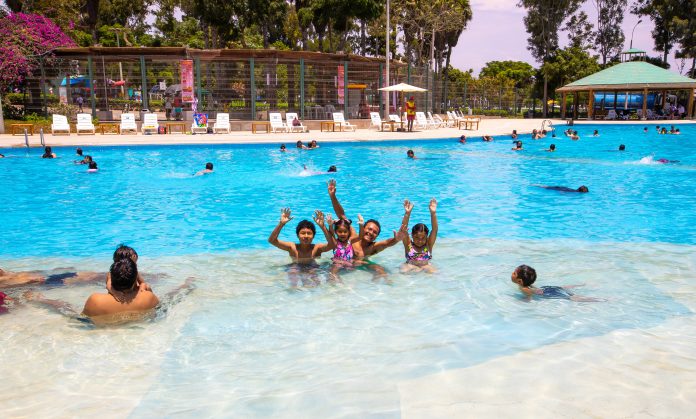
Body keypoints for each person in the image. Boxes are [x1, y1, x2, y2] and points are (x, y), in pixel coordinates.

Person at [327, 179, 406, 275]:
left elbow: (386, 243)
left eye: (375, 232)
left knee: (380, 270)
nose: (371, 233)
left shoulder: (373, 247)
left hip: (359, 265)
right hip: (341, 263)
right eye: (369, 229)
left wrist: (396, 239)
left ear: (376, 236)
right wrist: (333, 196)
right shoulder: (352, 237)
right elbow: (342, 215)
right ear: (363, 228)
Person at [267, 208, 334, 287]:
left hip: (312, 267)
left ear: (313, 236)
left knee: (315, 282)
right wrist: (281, 224)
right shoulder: (292, 247)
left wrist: (323, 226)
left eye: (309, 233)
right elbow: (272, 240)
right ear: (297, 235)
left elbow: (332, 245)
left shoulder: (317, 248)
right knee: (292, 271)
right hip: (295, 266)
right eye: (303, 233)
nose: (306, 236)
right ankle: (293, 291)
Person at [80, 258, 160, 318]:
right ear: (136, 279)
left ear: (111, 278)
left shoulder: (95, 301)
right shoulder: (149, 297)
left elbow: (83, 320)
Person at [511, 265, 604, 302]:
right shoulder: (528, 285)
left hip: (547, 293)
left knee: (571, 298)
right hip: (547, 288)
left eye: (514, 273)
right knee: (562, 288)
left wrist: (521, 301)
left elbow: (529, 296)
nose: (512, 273)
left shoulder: (523, 288)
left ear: (520, 281)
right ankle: (583, 285)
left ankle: (599, 300)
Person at [399, 199, 438, 273]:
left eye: (423, 238)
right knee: (404, 270)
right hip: (410, 266)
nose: (420, 241)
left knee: (434, 271)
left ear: (427, 237)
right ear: (412, 236)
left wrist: (433, 213)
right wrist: (407, 213)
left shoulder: (428, 245)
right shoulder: (408, 245)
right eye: (417, 238)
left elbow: (435, 230)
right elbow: (403, 229)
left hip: (425, 267)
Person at [0, 267, 102, 288]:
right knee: (88, 278)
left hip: (45, 276)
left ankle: (111, 275)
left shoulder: (4, 273)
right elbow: (9, 285)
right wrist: (31, 280)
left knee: (88, 274)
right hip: (44, 281)